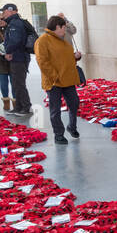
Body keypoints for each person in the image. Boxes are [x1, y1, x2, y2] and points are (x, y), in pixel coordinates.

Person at [34, 15, 82, 146]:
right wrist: (54, 76)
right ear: (57, 27)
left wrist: (75, 57)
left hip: (67, 80)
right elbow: (42, 61)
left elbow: (64, 58)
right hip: (53, 82)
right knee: (55, 110)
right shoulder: (42, 40)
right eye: (64, 27)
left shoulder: (61, 40)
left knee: (74, 104)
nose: (65, 30)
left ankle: (72, 127)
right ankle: (58, 134)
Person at [0, 2, 37, 116]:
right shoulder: (14, 23)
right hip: (18, 56)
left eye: (4, 11)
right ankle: (19, 107)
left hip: (19, 57)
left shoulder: (15, 23)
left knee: (19, 83)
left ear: (11, 11)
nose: (3, 14)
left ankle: (26, 107)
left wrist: (8, 51)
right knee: (16, 83)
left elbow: (16, 41)